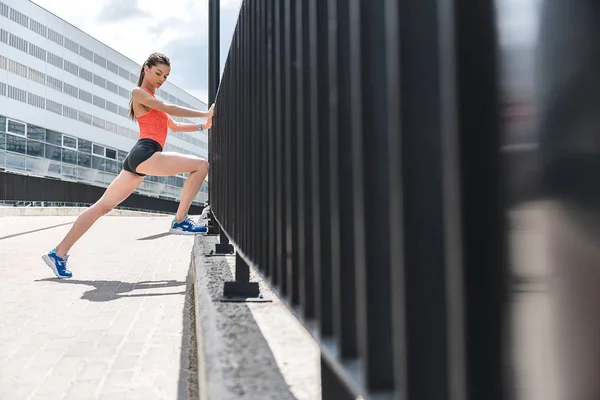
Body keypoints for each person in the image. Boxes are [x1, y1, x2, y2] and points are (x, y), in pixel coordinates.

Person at [42, 52, 214, 279]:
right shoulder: (139, 94)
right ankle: (180, 221)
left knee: (102, 207)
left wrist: (205, 125)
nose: (162, 79)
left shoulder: (152, 101)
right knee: (201, 165)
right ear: (146, 69)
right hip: (146, 152)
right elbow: (168, 108)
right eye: (158, 73)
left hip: (140, 158)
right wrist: (205, 111)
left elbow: (174, 126)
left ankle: (58, 253)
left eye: (166, 76)